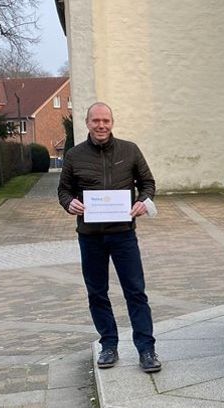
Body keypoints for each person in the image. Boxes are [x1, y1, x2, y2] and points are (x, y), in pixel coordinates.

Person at [57, 102, 161, 373]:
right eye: (96, 121)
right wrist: (69, 204)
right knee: (97, 292)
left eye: (105, 120)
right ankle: (109, 345)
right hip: (90, 237)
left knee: (135, 292)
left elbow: (148, 183)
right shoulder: (74, 155)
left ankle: (147, 349)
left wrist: (143, 201)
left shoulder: (130, 150)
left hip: (124, 235)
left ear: (112, 122)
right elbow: (64, 191)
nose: (101, 125)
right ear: (87, 123)